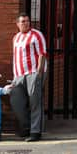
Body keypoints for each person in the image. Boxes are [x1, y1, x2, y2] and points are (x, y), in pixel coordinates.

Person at [10, 13, 48, 142]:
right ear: (17, 24)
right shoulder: (16, 37)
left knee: (35, 102)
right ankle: (26, 127)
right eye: (22, 21)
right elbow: (15, 57)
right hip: (19, 74)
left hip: (33, 72)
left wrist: (39, 73)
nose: (25, 23)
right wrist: (15, 75)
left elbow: (42, 54)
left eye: (27, 21)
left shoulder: (36, 35)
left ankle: (35, 131)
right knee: (17, 103)